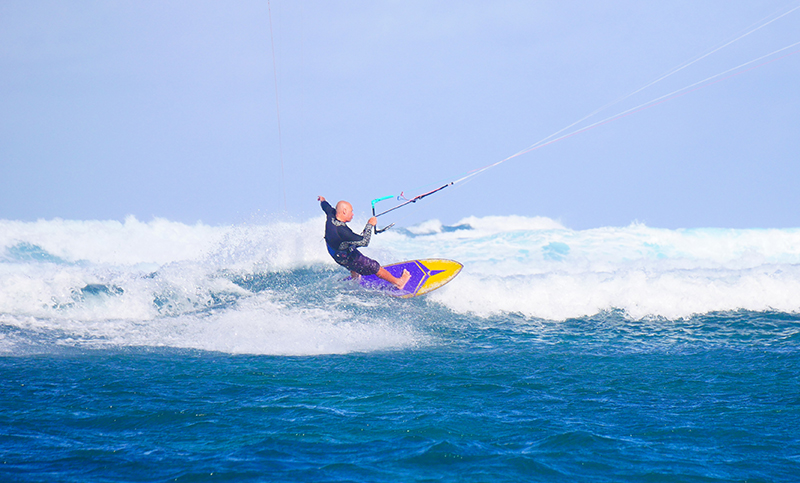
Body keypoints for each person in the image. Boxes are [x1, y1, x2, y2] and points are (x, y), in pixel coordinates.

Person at [318, 196, 411, 290]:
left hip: (334, 252)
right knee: (374, 266)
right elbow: (364, 242)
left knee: (351, 254)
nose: (353, 214)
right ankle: (399, 282)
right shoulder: (343, 231)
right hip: (344, 255)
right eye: (351, 211)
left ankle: (355, 282)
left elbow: (325, 206)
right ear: (344, 211)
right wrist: (369, 225)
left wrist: (322, 200)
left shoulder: (331, 214)